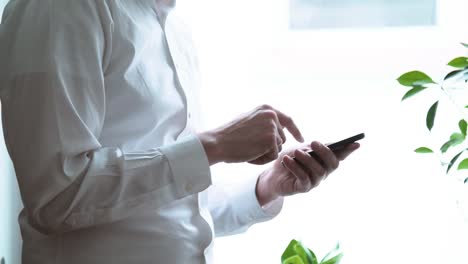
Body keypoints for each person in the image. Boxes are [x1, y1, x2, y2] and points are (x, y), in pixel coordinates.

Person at [0, 0, 359, 263]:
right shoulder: (58, 10)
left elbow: (172, 205)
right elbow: (56, 197)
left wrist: (268, 185)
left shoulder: (175, 29)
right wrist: (212, 146)